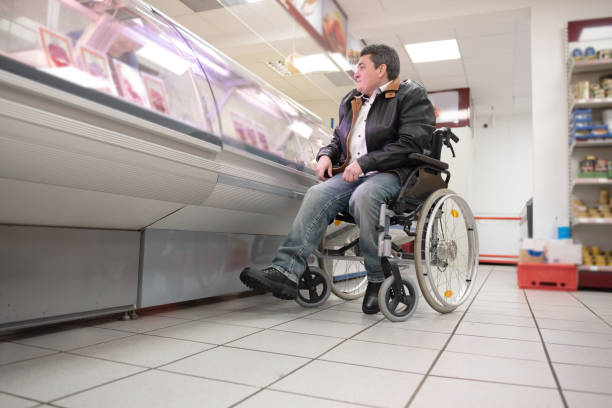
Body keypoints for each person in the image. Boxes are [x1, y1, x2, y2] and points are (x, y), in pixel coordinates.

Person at [240, 43, 436, 314]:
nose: (355, 73)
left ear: (382, 69)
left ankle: (377, 278)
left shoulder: (410, 94)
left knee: (365, 196)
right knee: (316, 194)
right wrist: (325, 155)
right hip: (353, 173)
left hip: (394, 175)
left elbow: (411, 143)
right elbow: (337, 140)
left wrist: (366, 162)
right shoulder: (351, 100)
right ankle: (286, 271)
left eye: (361, 67)